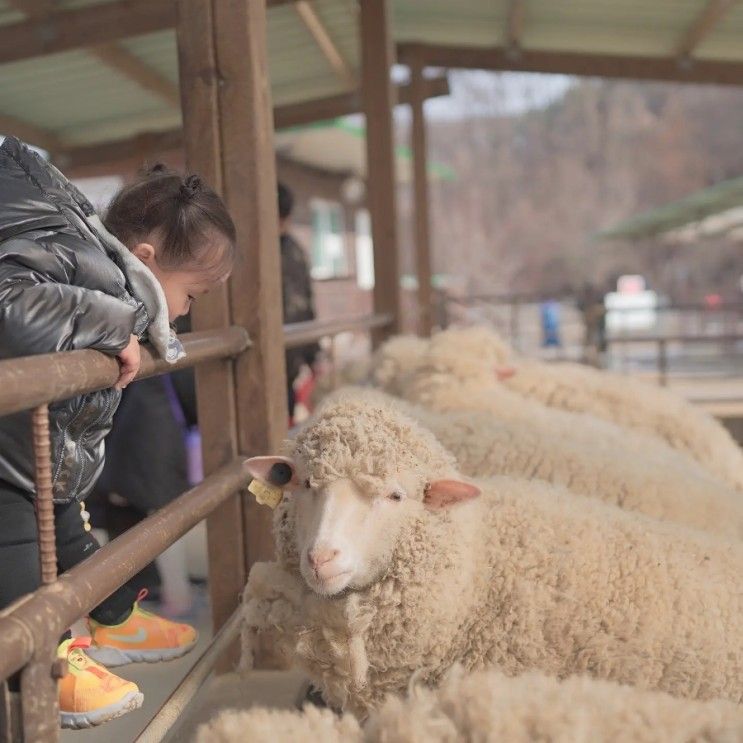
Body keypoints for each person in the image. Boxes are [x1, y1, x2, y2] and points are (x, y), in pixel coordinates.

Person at [0, 138, 235, 729]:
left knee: (71, 534)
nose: (180, 314)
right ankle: (43, 668)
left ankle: (112, 615)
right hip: (11, 451)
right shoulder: (98, 277)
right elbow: (11, 305)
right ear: (148, 258)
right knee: (19, 550)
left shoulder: (90, 258)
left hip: (42, 450)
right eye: (190, 296)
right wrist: (119, 323)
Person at [278, 182, 320, 421]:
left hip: (288, 354)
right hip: (270, 355)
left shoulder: (293, 252)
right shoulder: (245, 251)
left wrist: (313, 354)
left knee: (286, 411)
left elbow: (304, 303)